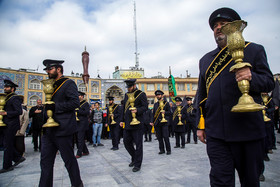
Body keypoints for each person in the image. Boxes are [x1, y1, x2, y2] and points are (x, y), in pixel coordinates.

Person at [196, 8, 274, 186]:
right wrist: (200, 125)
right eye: (215, 26)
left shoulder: (253, 50)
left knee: (250, 181)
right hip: (216, 133)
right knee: (220, 181)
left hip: (247, 130)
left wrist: (251, 77)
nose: (218, 28)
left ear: (235, 28)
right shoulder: (206, 60)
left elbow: (269, 82)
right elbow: (201, 95)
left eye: (223, 24)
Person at [39, 59, 83, 187]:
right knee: (45, 162)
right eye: (47, 69)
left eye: (50, 69)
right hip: (48, 130)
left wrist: (55, 107)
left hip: (63, 129)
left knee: (69, 160)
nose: (48, 72)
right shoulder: (51, 85)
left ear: (59, 69)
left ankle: (77, 184)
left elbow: (75, 103)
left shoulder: (68, 83)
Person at [120, 79, 148, 172]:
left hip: (137, 124)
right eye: (127, 87)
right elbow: (124, 109)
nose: (128, 89)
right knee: (126, 142)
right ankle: (134, 157)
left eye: (129, 87)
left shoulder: (141, 94)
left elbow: (145, 107)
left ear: (134, 86)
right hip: (127, 123)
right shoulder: (126, 95)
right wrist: (121, 120)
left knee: (138, 145)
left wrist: (137, 110)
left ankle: (137, 164)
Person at [0, 79, 24, 174]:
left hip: (12, 124)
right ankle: (18, 158)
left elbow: (19, 111)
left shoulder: (15, 98)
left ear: (12, 89)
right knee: (6, 144)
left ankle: (7, 166)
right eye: (5, 87)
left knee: (7, 145)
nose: (5, 88)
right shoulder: (7, 98)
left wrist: (6, 113)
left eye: (7, 87)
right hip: (6, 124)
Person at [152, 90, 171, 155]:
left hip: (164, 123)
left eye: (159, 95)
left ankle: (168, 150)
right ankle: (162, 150)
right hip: (157, 123)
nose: (158, 96)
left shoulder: (166, 103)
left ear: (162, 95)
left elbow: (170, 112)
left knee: (166, 137)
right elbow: (154, 114)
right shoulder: (155, 104)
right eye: (157, 95)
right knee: (159, 138)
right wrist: (152, 121)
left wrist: (165, 112)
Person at [75, 91, 90, 158]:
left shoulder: (85, 104)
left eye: (79, 96)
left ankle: (79, 153)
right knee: (79, 138)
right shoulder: (76, 103)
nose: (78, 97)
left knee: (80, 138)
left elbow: (87, 112)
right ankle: (85, 151)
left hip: (82, 123)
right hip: (77, 123)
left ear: (82, 96)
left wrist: (79, 111)